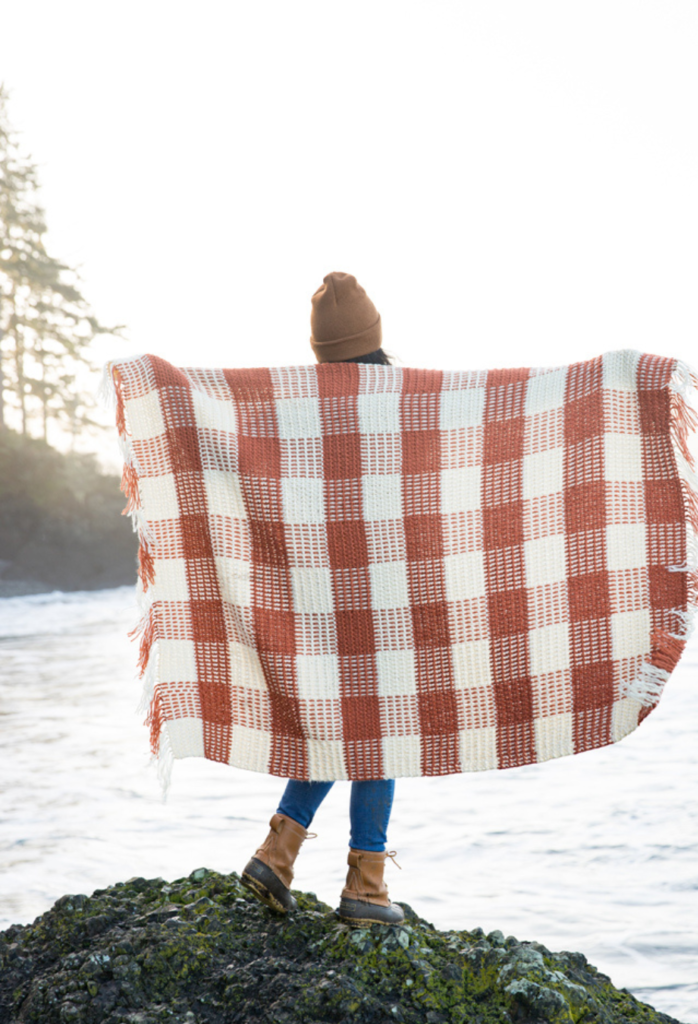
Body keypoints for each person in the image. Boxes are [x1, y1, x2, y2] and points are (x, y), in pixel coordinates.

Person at [241, 272, 404, 926]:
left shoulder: (293, 410)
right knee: (381, 736)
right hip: (380, 595)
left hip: (316, 597)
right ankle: (365, 887)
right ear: (373, 340)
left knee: (338, 729)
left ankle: (276, 854)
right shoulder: (401, 400)